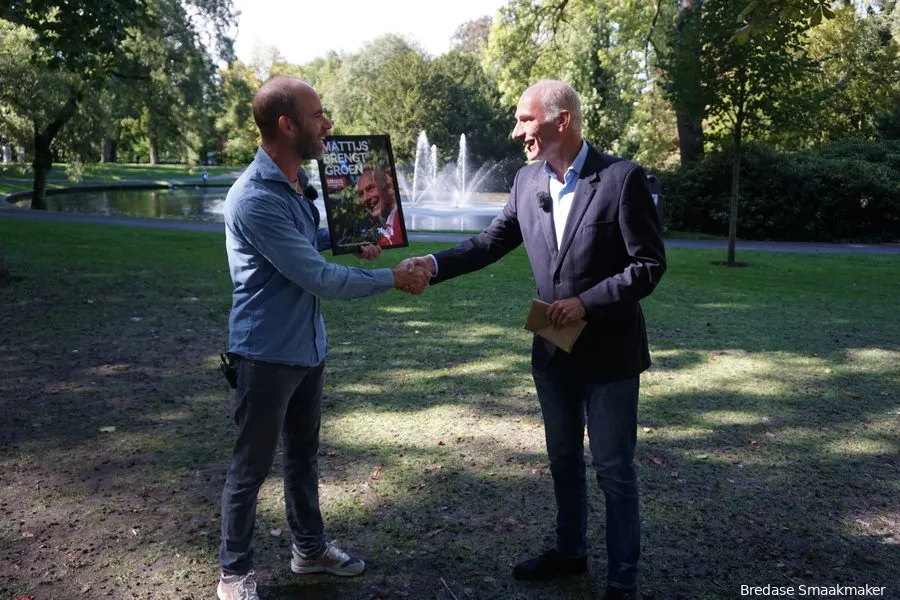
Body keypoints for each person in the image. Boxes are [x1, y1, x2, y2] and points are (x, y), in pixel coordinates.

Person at [407, 80, 666, 600]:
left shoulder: (621, 178)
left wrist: (588, 301)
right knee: (563, 459)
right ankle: (570, 552)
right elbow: (487, 244)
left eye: (526, 119)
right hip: (551, 347)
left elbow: (649, 265)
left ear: (562, 120)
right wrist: (432, 265)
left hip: (610, 354)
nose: (517, 130)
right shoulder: (527, 183)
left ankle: (622, 580)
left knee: (614, 470)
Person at [217, 76, 429, 600]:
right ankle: (233, 574)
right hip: (265, 355)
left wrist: (352, 234)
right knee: (251, 468)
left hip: (307, 348)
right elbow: (319, 278)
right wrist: (393, 277)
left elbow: (306, 241)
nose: (328, 124)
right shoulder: (253, 199)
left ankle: (308, 551)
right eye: (318, 115)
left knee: (302, 457)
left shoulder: (294, 186)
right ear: (287, 125)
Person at [356, 167, 404, 247]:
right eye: (361, 194)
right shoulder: (374, 226)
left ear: (388, 187)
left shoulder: (400, 222)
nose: (365, 198)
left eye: (370, 189)